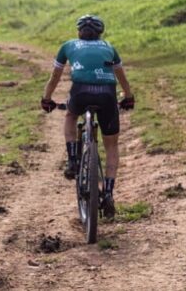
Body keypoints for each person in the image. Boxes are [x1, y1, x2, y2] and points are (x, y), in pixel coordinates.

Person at [40, 14, 134, 218]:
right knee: (111, 145)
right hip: (108, 94)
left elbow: (55, 76)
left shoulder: (68, 45)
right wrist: (128, 97)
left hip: (80, 92)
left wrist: (46, 98)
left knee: (71, 116)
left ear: (78, 33)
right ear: (100, 33)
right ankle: (108, 193)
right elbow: (122, 77)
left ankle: (73, 159)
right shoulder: (109, 46)